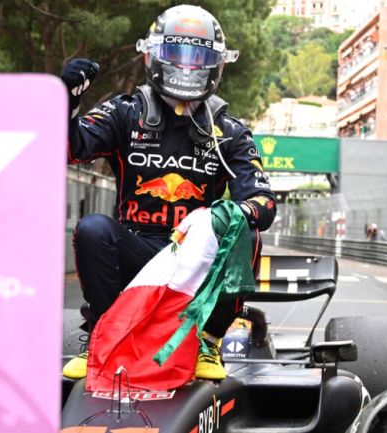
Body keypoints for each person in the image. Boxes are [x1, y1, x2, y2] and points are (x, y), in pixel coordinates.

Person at [60, 4, 276, 381]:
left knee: (245, 231)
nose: (187, 66)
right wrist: (65, 101)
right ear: (154, 55)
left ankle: (208, 339)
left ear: (216, 64)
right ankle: (103, 335)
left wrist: (232, 215)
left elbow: (264, 202)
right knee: (93, 228)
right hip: (137, 252)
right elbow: (69, 147)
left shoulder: (231, 131)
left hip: (198, 260)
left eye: (198, 58)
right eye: (177, 55)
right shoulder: (125, 113)